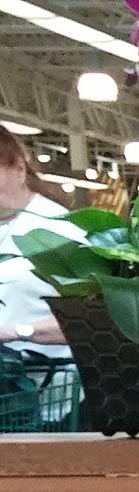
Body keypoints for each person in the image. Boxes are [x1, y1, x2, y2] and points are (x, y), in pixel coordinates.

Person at [0, 127, 76, 360]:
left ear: (19, 170)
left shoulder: (61, 229)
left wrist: (18, 332)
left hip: (49, 383)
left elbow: (91, 322)